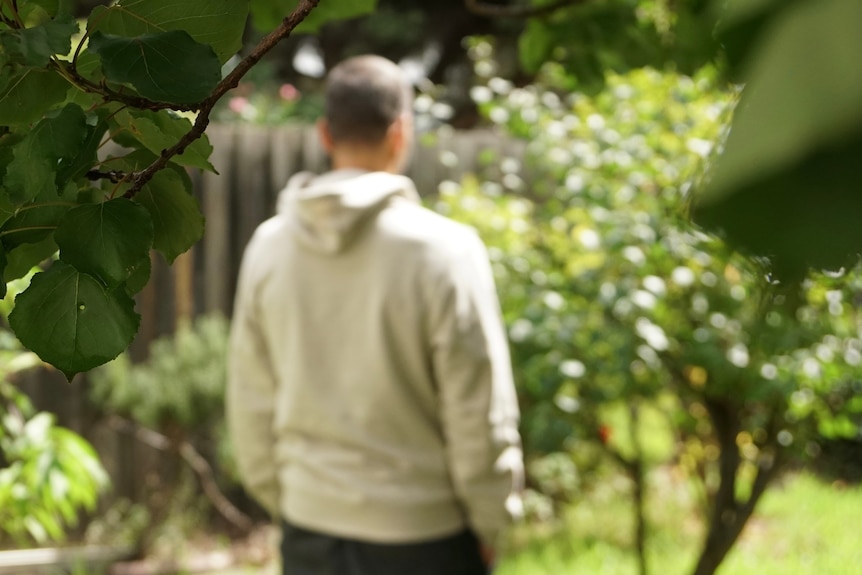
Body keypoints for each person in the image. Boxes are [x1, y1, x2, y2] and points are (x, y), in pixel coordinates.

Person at [226, 54, 523, 575]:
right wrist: (491, 520)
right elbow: (479, 412)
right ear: (401, 132)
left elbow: (250, 401)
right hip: (427, 538)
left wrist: (293, 502)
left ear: (324, 133)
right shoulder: (445, 251)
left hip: (310, 535)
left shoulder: (269, 248)